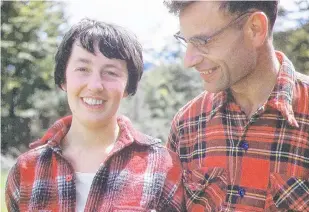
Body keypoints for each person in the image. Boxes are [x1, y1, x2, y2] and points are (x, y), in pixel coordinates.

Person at [5, 18, 185, 212]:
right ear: (63, 79)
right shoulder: (26, 170)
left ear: (128, 86)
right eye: (82, 69)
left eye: (111, 72)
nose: (95, 85)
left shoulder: (162, 166)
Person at [163, 1, 309, 212]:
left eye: (203, 41)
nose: (189, 60)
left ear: (255, 28)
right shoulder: (187, 124)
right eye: (186, 42)